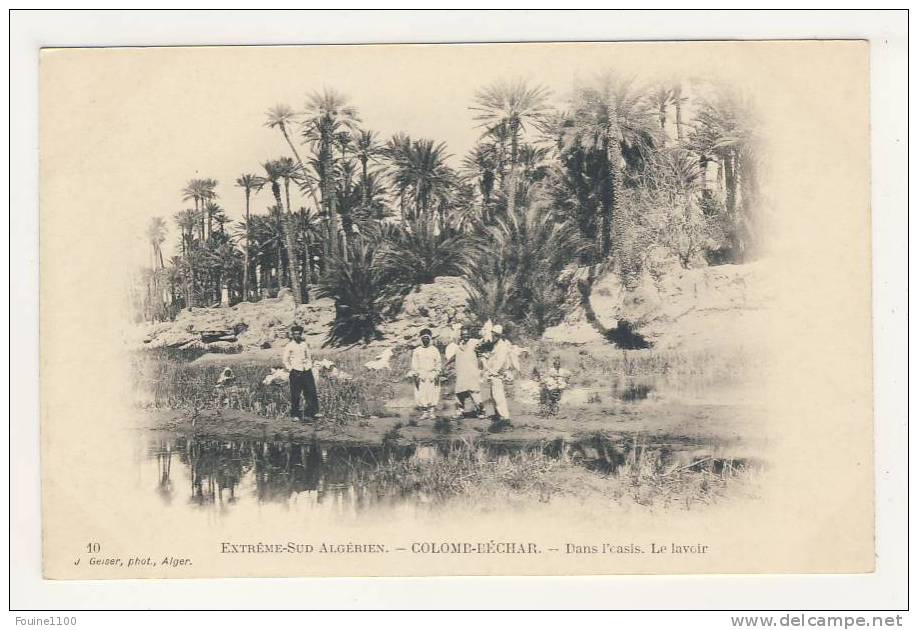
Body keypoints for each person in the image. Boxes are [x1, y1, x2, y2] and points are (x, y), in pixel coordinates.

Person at [445, 326, 485, 419]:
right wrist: (446, 364)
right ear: (461, 336)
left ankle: (480, 411)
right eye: (463, 335)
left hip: (472, 373)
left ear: (470, 335)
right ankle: (460, 412)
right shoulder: (459, 345)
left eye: (467, 334)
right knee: (459, 393)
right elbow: (454, 356)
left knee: (474, 392)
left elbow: (483, 345)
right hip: (461, 373)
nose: (465, 336)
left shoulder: (474, 342)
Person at [282, 324, 319, 421]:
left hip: (306, 371)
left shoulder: (304, 344)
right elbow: (285, 360)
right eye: (295, 334)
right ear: (292, 335)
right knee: (295, 394)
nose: (297, 336)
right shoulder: (289, 346)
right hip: (295, 372)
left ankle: (311, 413)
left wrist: (309, 366)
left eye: (299, 334)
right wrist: (291, 369)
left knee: (310, 391)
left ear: (301, 334)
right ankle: (295, 415)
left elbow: (309, 357)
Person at [482, 324, 516, 423]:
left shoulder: (503, 347)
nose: (494, 336)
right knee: (493, 395)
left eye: (496, 335)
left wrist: (492, 372)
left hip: (498, 374)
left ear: (500, 336)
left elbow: (500, 363)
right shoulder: (494, 345)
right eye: (493, 334)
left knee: (498, 396)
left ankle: (505, 418)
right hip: (493, 374)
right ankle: (498, 415)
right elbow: (489, 356)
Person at [408, 328, 442, 420]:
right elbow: (414, 364)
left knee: (433, 393)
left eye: (427, 338)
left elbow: (438, 363)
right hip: (421, 375)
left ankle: (431, 412)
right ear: (421, 339)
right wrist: (416, 374)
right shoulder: (417, 351)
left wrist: (436, 373)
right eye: (424, 338)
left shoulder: (434, 350)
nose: (425, 340)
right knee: (421, 393)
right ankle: (424, 412)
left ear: (430, 339)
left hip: (432, 375)